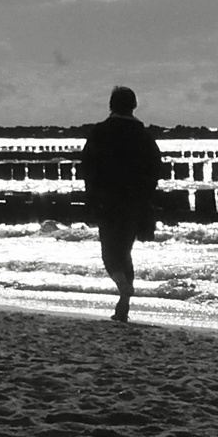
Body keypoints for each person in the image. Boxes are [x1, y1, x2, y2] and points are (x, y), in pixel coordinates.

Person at [79, 86, 164, 322]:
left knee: (109, 251)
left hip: (108, 200)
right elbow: (157, 167)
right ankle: (124, 301)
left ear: (111, 105)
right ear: (133, 105)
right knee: (126, 250)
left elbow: (87, 166)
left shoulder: (100, 132)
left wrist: (92, 196)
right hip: (136, 201)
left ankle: (122, 286)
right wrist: (147, 193)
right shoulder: (143, 135)